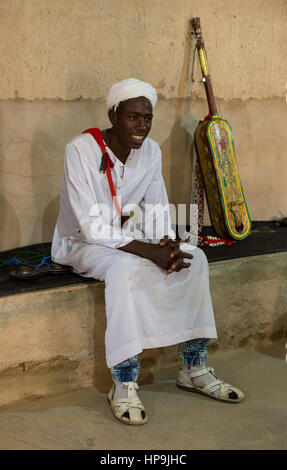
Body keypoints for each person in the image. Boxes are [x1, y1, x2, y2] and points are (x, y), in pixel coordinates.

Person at [52, 78, 244, 426]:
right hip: (82, 242)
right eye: (133, 116)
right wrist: (148, 252)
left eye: (147, 117)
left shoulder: (151, 151)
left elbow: (155, 209)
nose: (141, 125)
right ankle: (124, 383)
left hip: (130, 237)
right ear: (113, 115)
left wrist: (167, 243)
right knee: (125, 269)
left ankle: (193, 366)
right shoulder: (80, 150)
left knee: (194, 259)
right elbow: (92, 227)